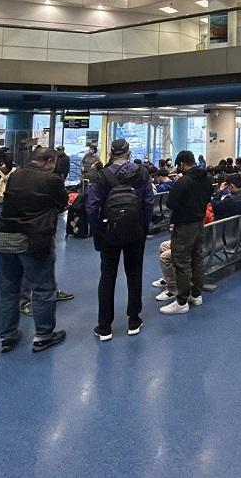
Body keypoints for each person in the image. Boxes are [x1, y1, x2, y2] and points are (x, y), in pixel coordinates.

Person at [0, 147, 69, 353]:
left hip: (6, 237)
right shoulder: (51, 180)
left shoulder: (15, 175)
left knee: (9, 290)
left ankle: (7, 335)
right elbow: (62, 203)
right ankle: (43, 335)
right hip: (34, 239)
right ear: (49, 161)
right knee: (42, 288)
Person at [86, 139, 154, 338]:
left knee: (107, 275)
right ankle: (134, 320)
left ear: (111, 153)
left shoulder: (102, 176)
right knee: (134, 273)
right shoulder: (142, 173)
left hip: (109, 232)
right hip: (135, 231)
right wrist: (143, 226)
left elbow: (91, 207)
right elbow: (148, 203)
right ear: (128, 152)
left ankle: (105, 325)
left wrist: (99, 230)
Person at [159, 150, 214, 316]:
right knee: (197, 258)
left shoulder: (183, 182)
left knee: (181, 261)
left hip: (184, 226)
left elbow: (171, 203)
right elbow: (207, 199)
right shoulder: (207, 180)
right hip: (199, 223)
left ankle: (181, 301)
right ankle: (196, 294)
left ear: (182, 163)